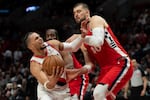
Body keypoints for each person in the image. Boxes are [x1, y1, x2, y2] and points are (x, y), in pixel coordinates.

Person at [71, 3, 133, 100]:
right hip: (105, 70)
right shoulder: (83, 40)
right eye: (74, 13)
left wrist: (81, 37)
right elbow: (90, 65)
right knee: (102, 96)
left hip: (120, 62)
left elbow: (98, 41)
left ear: (87, 12)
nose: (76, 15)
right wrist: (78, 71)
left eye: (79, 11)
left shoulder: (95, 20)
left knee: (98, 93)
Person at [24, 32, 92, 100]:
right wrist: (53, 81)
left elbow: (72, 47)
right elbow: (47, 85)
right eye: (36, 38)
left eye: (39, 36)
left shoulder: (53, 44)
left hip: (64, 88)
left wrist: (82, 37)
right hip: (47, 92)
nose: (40, 38)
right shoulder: (34, 64)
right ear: (31, 46)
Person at [45, 28, 89, 100]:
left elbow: (70, 67)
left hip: (76, 77)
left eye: (52, 35)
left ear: (57, 38)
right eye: (48, 36)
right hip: (62, 81)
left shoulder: (62, 48)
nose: (50, 38)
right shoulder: (46, 52)